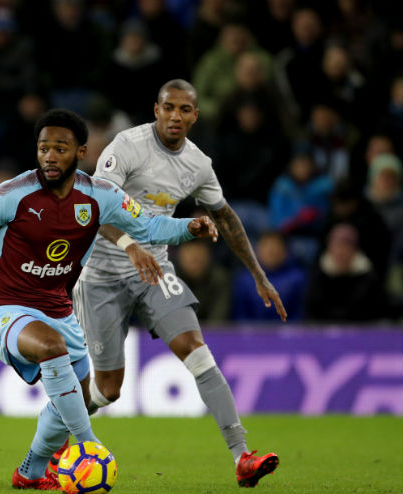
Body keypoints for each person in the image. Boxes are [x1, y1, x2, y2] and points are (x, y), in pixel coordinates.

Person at [0, 109, 218, 490]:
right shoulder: (11, 195)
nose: (49, 156)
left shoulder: (101, 196)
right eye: (43, 148)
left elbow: (148, 225)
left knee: (73, 401)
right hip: (5, 311)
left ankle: (30, 473)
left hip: (60, 313)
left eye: (60, 149)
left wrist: (188, 228)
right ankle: (89, 447)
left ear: (81, 152)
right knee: (52, 348)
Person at [72, 79, 284, 488]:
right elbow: (93, 208)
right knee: (108, 389)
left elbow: (225, 217)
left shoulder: (197, 164)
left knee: (197, 351)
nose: (175, 116)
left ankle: (242, 456)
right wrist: (131, 245)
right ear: (156, 110)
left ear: (195, 116)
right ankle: (56, 434)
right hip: (101, 275)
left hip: (155, 270)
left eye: (185, 109)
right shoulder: (127, 146)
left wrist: (259, 276)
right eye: (169, 107)